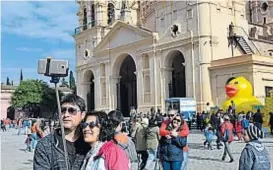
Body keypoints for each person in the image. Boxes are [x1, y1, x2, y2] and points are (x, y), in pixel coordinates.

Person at [33, 94, 90, 169]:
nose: (66, 115)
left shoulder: (89, 143)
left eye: (72, 110)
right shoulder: (45, 145)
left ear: (82, 115)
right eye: (63, 110)